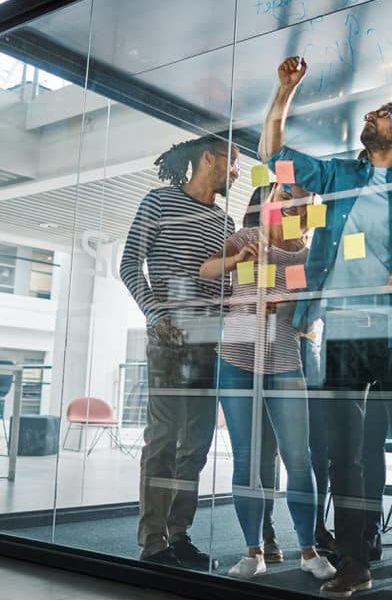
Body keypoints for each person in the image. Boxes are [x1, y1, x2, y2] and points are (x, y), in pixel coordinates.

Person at [259, 56, 392, 598]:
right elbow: (272, 157)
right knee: (348, 455)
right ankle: (356, 559)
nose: (374, 115)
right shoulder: (339, 172)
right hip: (340, 331)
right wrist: (284, 91)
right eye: (375, 110)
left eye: (386, 115)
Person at [201, 184, 336, 581]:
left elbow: (308, 313)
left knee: (299, 458)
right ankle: (252, 551)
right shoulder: (247, 237)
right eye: (279, 193)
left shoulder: (305, 255)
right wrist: (235, 261)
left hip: (282, 359)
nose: (284, 200)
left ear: (303, 208)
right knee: (246, 458)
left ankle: (308, 551)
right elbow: (206, 269)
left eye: (294, 196)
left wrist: (291, 307)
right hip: (236, 358)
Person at [120, 135, 239, 569]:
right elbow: (130, 262)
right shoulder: (158, 202)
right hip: (170, 337)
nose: (237, 172)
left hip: (211, 340)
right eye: (235, 161)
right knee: (164, 440)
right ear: (209, 158)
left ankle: (180, 533)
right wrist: (156, 315)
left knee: (196, 443)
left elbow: (225, 286)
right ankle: (153, 542)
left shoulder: (225, 223)